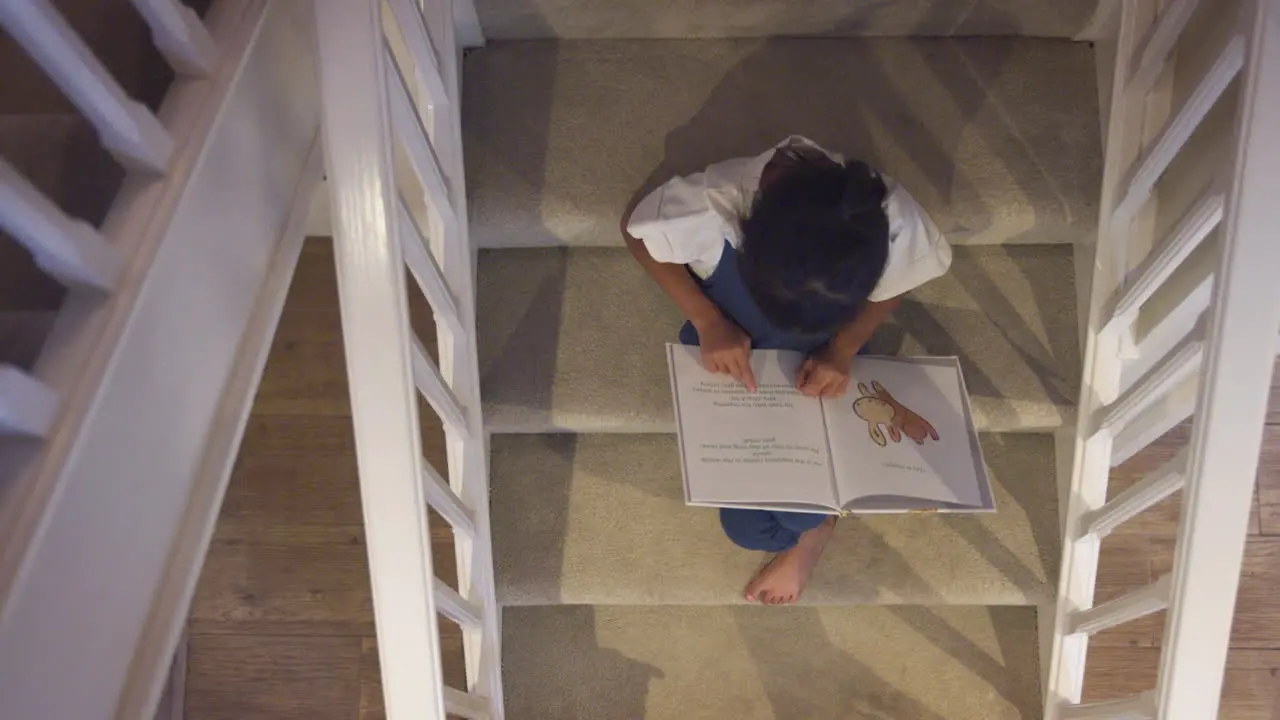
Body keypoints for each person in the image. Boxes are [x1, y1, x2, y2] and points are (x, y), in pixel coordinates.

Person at [621, 136, 951, 605]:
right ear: (747, 240)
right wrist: (708, 319)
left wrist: (844, 345)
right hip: (733, 350)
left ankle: (814, 532)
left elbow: (901, 280)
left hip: (827, 357)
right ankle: (815, 531)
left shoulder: (890, 216)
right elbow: (635, 232)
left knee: (797, 516)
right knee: (751, 530)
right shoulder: (707, 208)